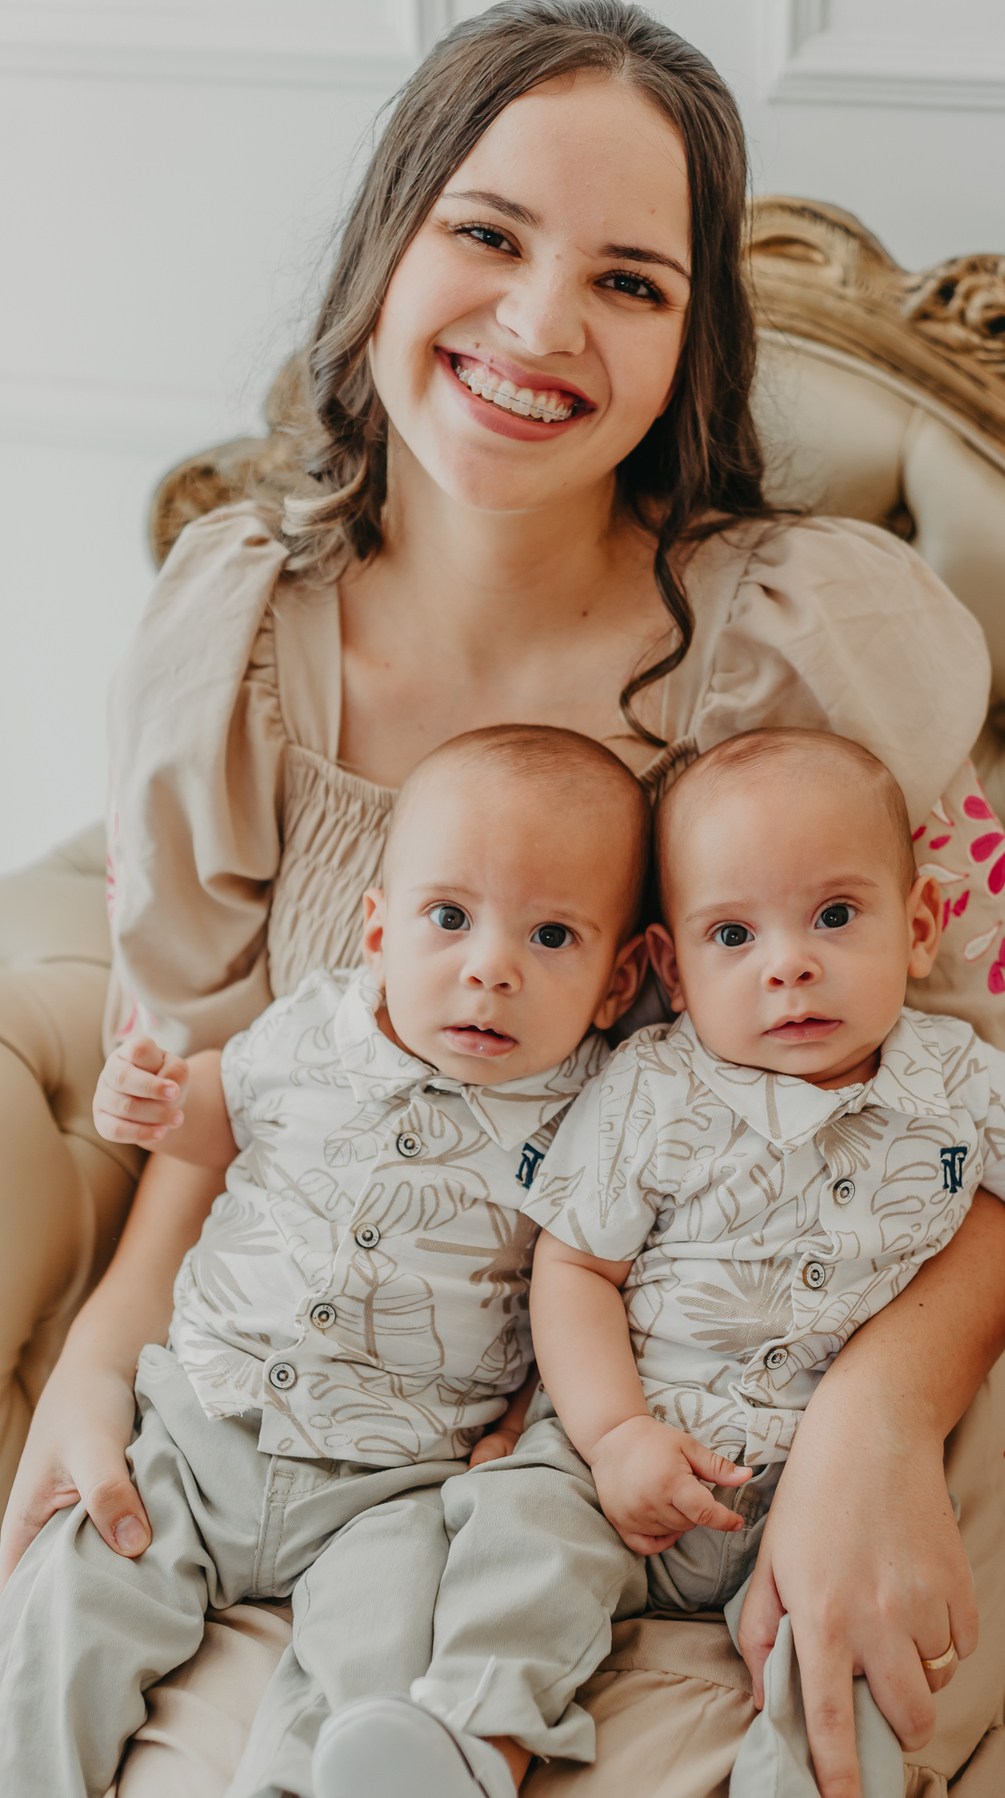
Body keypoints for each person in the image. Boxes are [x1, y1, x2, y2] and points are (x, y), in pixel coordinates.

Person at [0, 6, 1005, 1796]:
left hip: (788, 1407)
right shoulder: (232, 643)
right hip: (360, 1433)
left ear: (692, 343)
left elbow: (995, 1114)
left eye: (630, 282)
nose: (536, 324)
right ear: (389, 244)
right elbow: (215, 1087)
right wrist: (101, 1355)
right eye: (488, 235)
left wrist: (879, 1421)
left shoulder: (805, 648)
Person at [309, 730, 1005, 1798]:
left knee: (862, 1637)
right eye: (733, 934)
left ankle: (813, 1778)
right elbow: (575, 1270)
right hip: (630, 1456)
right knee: (525, 1540)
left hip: (816, 1492)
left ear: (920, 926)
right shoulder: (651, 1090)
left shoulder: (963, 1083)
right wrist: (614, 1437)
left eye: (836, 916)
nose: (789, 964)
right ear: (671, 970)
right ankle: (474, 1746)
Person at [0, 726, 653, 1798]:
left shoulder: (595, 1112)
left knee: (379, 1673)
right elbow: (219, 1113)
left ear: (618, 979)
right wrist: (153, 1099)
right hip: (204, 1423)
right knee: (67, 1609)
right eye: (450, 918)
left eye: (550, 936)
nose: (489, 968)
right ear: (379, 931)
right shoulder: (315, 1027)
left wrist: (522, 1420)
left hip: (397, 1481)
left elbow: (582, 1291)